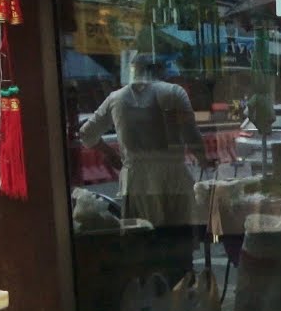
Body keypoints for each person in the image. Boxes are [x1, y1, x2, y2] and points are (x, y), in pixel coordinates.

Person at [79, 53, 214, 230]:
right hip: (174, 179)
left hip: (136, 182)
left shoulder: (116, 98)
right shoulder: (174, 92)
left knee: (143, 242)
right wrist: (203, 160)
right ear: (159, 70)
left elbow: (86, 134)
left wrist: (110, 153)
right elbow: (191, 135)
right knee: (179, 242)